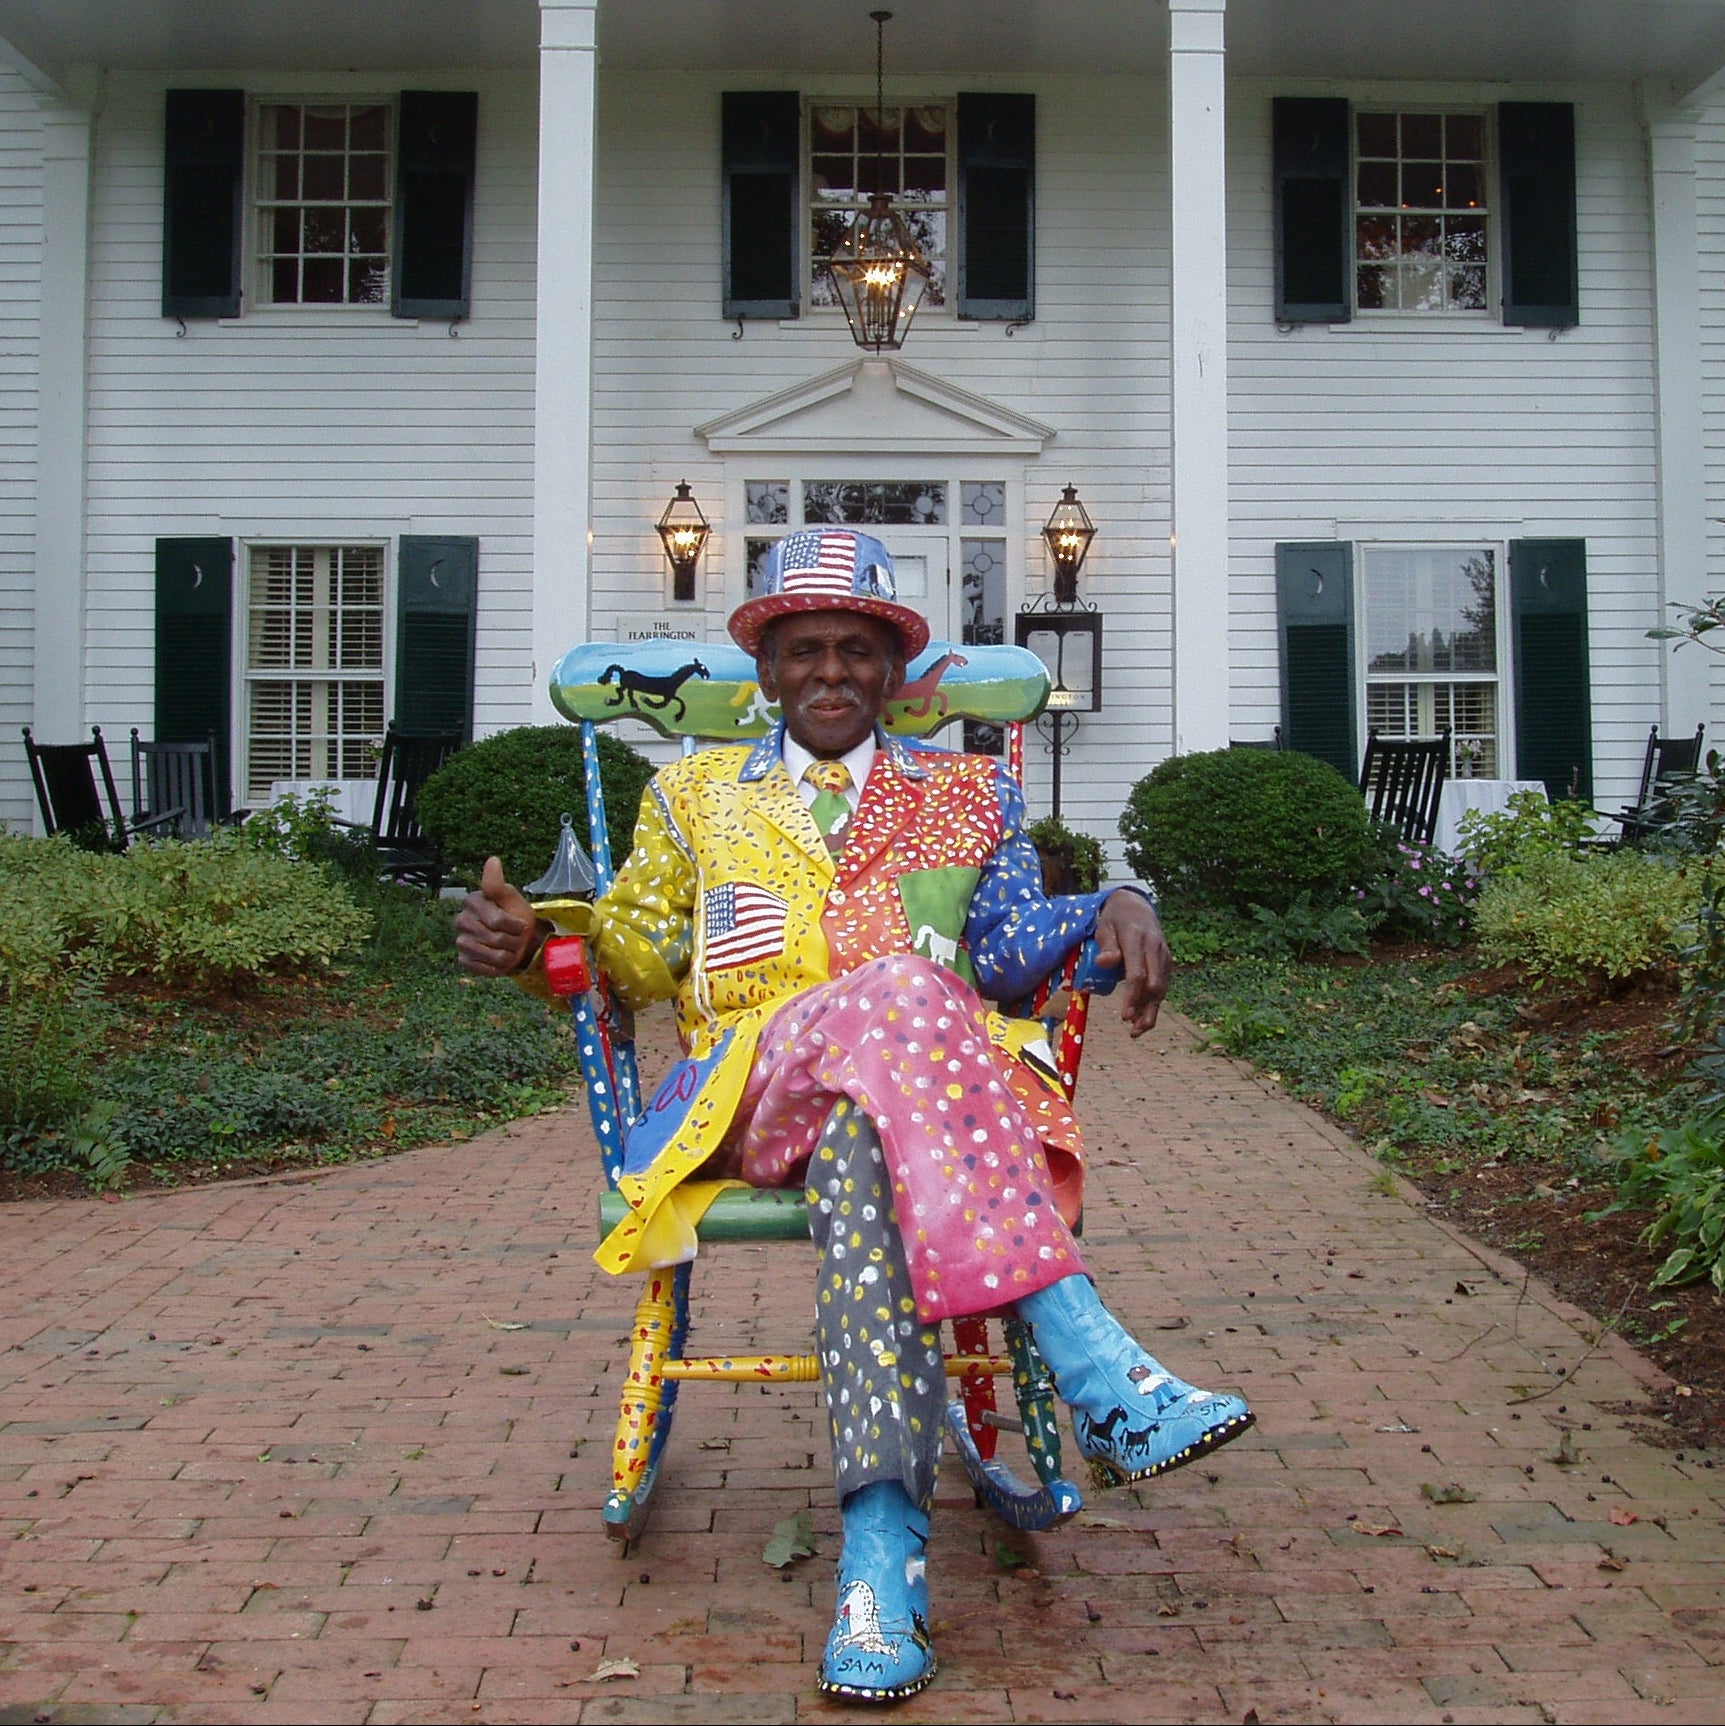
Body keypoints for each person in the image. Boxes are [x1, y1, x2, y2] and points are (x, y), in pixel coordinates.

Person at [457, 529, 1252, 1704]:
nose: (832, 672)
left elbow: (1006, 947)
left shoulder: (969, 794)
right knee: (899, 992)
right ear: (768, 672)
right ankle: (1094, 1362)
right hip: (743, 1095)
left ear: (893, 674)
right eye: (805, 650)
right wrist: (539, 945)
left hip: (909, 1129)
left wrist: (1117, 899)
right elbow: (627, 952)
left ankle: (880, 1575)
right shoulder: (694, 793)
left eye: (858, 652)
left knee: (869, 1141)